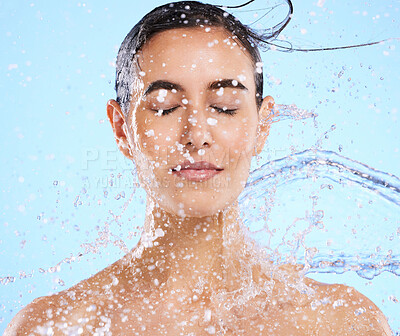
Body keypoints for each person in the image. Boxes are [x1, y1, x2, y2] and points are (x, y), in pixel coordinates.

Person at [5, 1, 392, 335]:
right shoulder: (53, 327)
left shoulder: (342, 323)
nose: (197, 134)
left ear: (263, 125)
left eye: (224, 106)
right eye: (165, 107)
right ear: (122, 129)